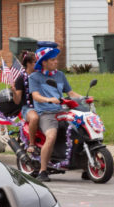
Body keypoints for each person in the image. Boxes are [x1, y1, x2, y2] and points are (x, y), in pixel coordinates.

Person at [28, 46, 83, 181]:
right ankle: (43, 170)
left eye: (55, 59)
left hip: (62, 111)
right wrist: (48, 99)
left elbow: (70, 93)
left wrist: (84, 99)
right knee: (51, 136)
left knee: (81, 130)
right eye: (52, 60)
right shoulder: (34, 77)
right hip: (46, 113)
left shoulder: (60, 75)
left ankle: (85, 164)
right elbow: (35, 96)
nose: (56, 62)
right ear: (44, 62)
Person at [12, 50, 40, 151]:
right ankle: (31, 144)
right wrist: (14, 92)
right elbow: (17, 101)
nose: (37, 64)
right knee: (34, 118)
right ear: (28, 63)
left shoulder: (39, 76)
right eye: (35, 62)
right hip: (27, 108)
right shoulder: (21, 78)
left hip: (41, 105)